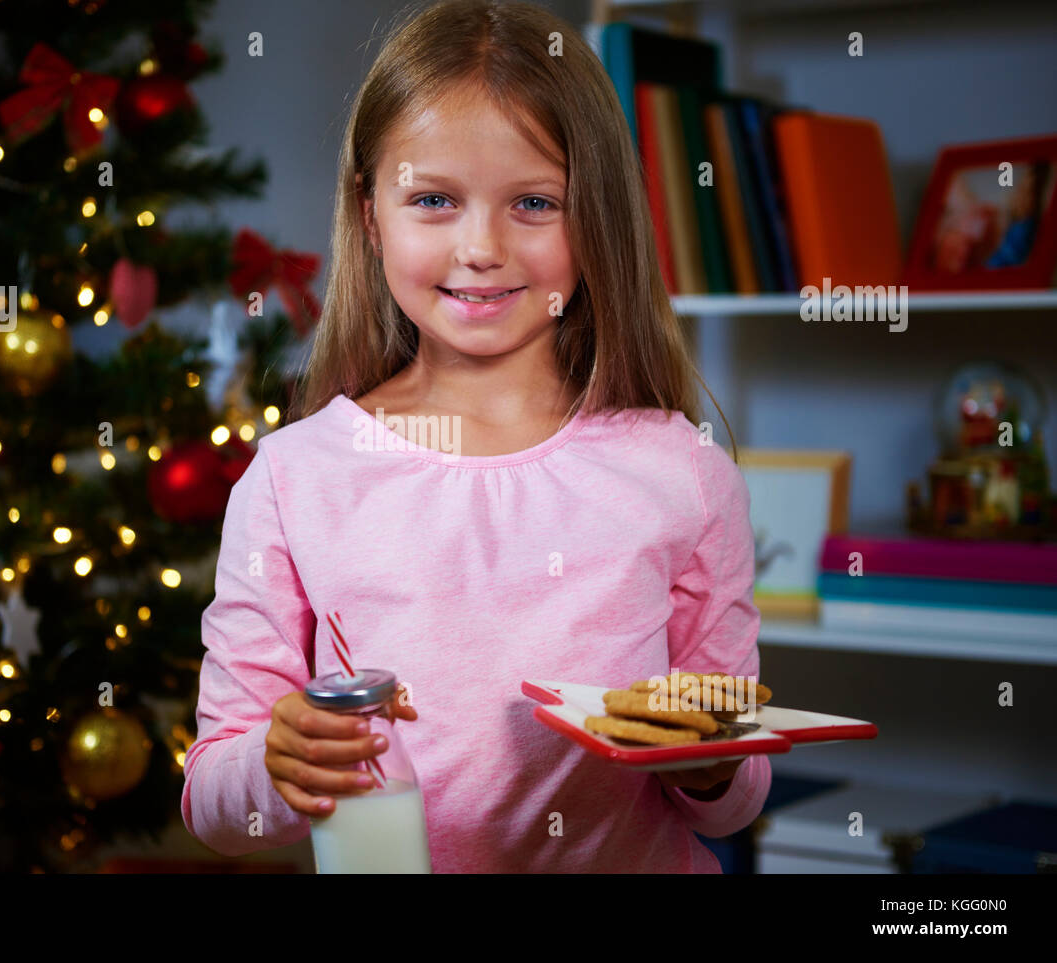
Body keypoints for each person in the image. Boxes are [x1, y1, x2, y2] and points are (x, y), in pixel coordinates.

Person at [181, 0, 770, 873]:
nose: (482, 247)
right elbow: (213, 803)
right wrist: (278, 761)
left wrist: (715, 757)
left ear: (594, 216)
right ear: (371, 213)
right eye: (433, 200)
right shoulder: (293, 478)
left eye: (534, 202)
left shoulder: (684, 473)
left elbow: (735, 798)